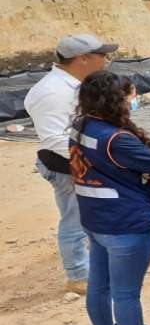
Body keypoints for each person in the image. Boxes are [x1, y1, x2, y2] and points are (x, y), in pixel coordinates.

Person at [69, 71, 150, 325]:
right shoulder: (117, 139)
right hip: (126, 224)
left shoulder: (81, 124)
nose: (135, 99)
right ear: (116, 100)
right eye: (132, 95)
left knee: (99, 286)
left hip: (95, 219)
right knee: (126, 294)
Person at [24, 34, 117, 293]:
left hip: (82, 162)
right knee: (75, 219)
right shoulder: (52, 92)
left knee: (89, 215)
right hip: (68, 167)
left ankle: (92, 262)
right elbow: (55, 140)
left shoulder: (75, 84)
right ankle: (78, 275)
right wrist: (94, 162)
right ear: (83, 58)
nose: (107, 59)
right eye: (102, 55)